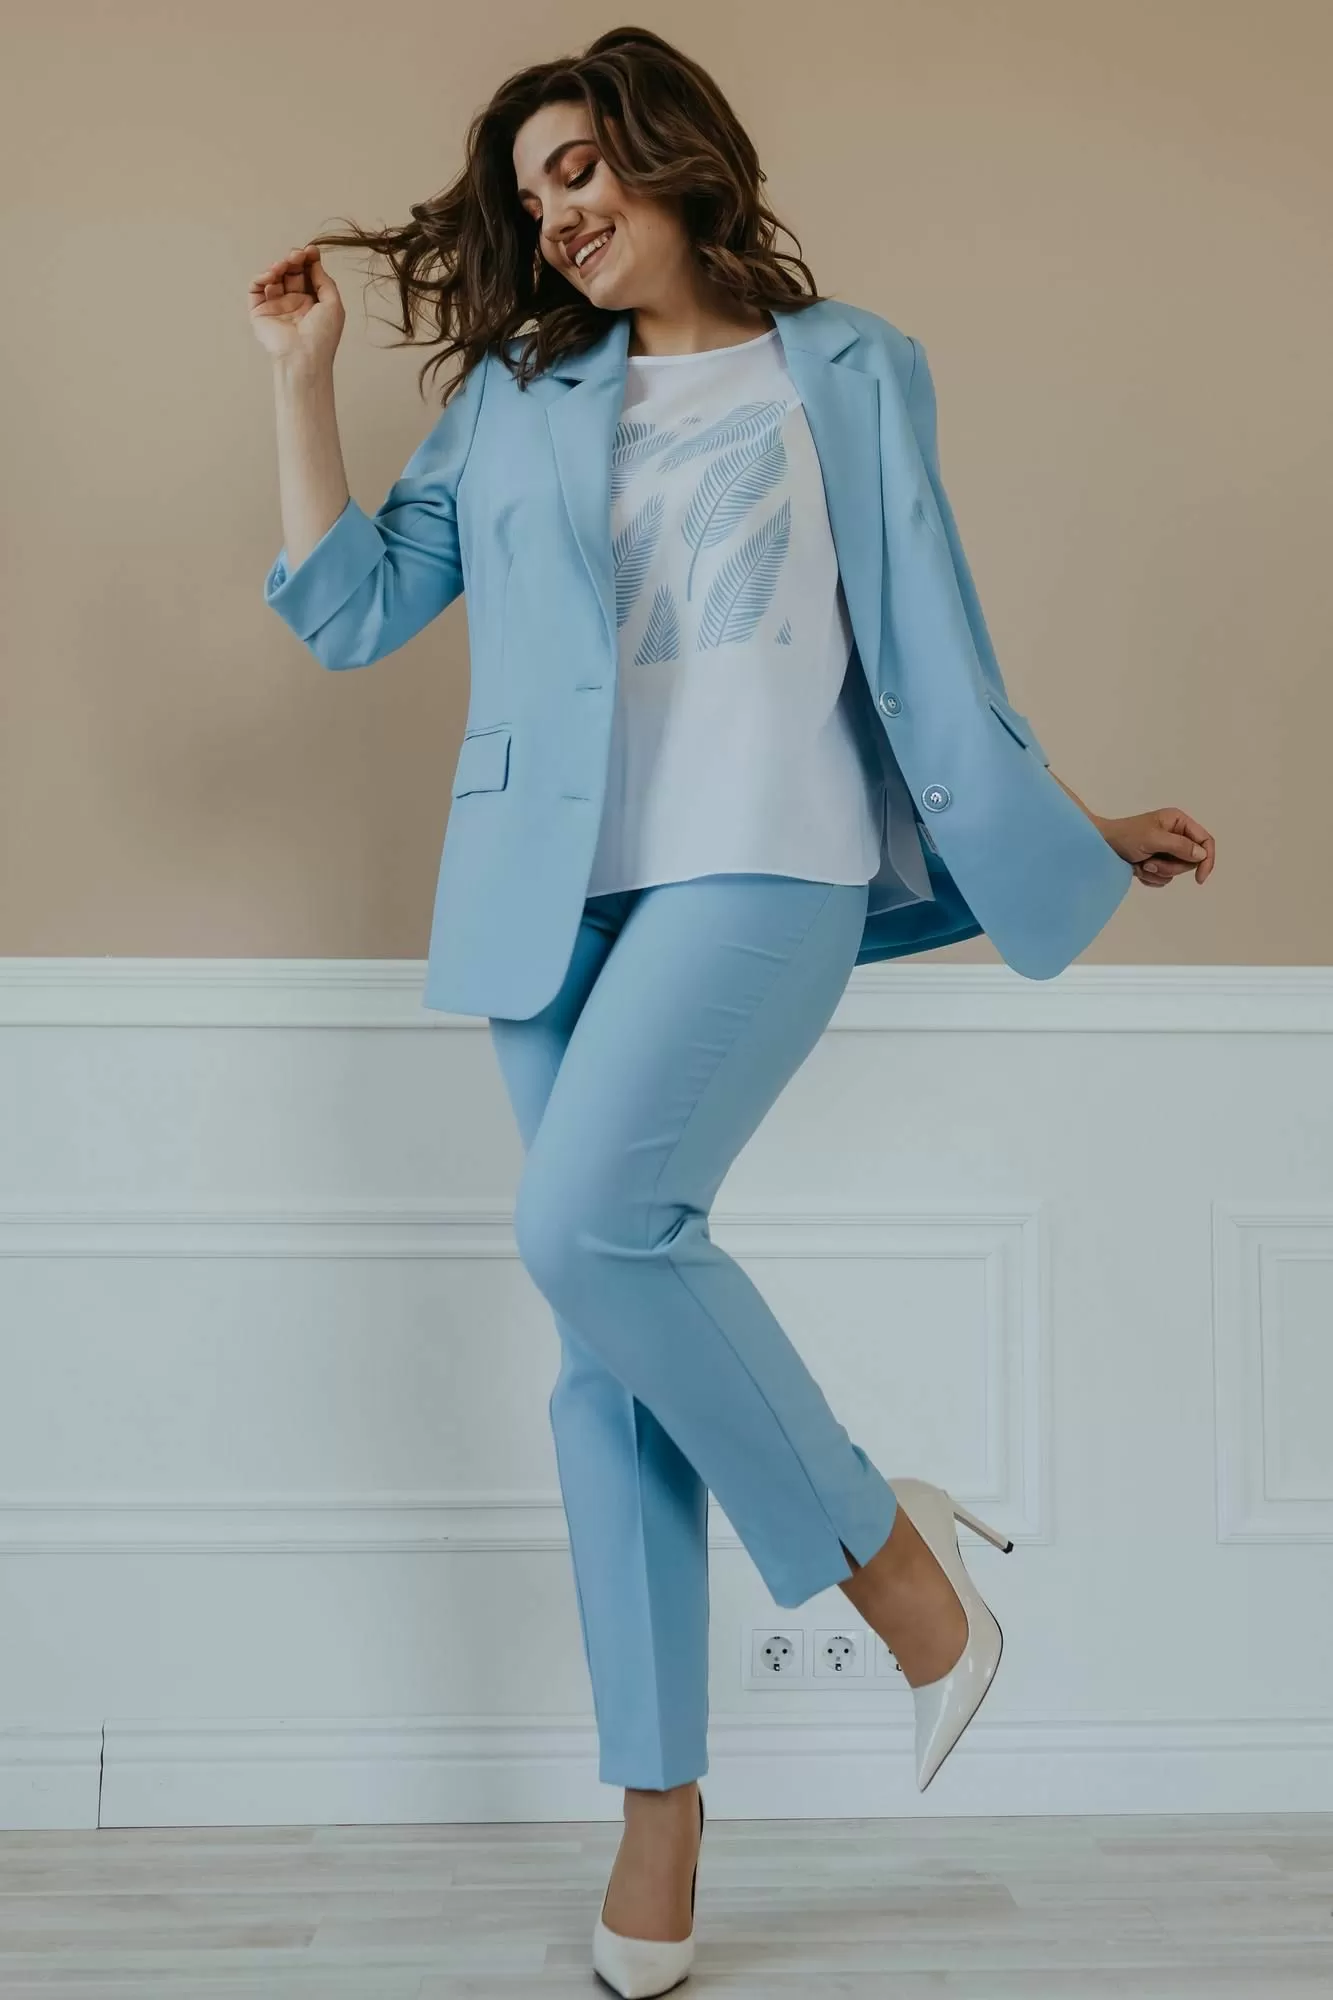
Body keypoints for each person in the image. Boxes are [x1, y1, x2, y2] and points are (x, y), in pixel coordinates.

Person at [249, 24, 1216, 1997]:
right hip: (551, 897)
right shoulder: (517, 399)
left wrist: (1069, 823)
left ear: (673, 155)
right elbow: (351, 613)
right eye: (532, 195)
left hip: (768, 865)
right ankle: (660, 1819)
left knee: (587, 1226)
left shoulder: (852, 365)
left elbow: (938, 644)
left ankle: (897, 1573)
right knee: (606, 1355)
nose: (559, 215)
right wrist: (299, 382)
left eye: (582, 169)